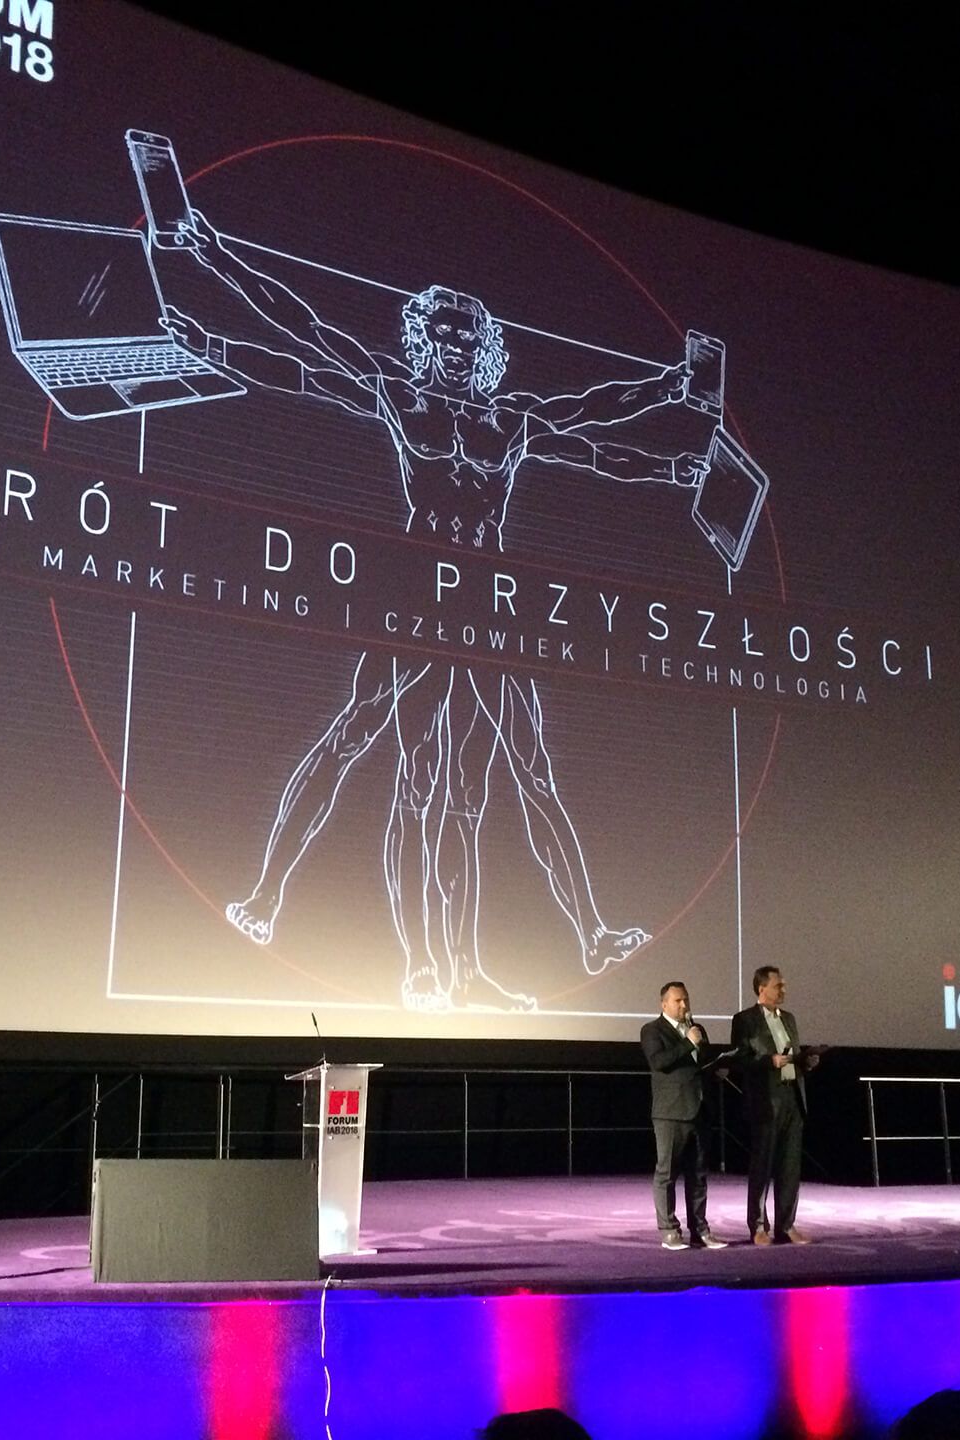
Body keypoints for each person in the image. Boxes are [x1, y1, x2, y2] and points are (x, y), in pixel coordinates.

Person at [165, 211, 713, 1010]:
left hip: (490, 611)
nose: (456, 345)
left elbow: (596, 426)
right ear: (425, 337)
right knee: (377, 753)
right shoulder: (399, 394)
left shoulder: (511, 420)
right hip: (416, 600)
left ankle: (586, 934)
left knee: (521, 775)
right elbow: (303, 343)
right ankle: (275, 900)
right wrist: (212, 274)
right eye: (444, 332)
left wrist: (671, 412)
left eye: (468, 335)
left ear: (483, 346)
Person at [728, 964, 821, 1244]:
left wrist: (806, 1062)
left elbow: (793, 1056)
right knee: (762, 1165)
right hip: (766, 1101)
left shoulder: (789, 1018)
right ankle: (758, 1227)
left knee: (790, 1167)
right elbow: (740, 1060)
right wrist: (769, 1061)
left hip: (793, 1097)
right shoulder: (745, 1020)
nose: (783, 989)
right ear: (762, 989)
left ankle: (786, 1225)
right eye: (778, 985)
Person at [640, 981, 726, 1250]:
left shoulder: (697, 1029)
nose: (684, 1005)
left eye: (686, 999)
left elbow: (702, 1064)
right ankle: (669, 1230)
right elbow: (659, 1062)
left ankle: (700, 1230)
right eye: (678, 1001)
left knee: (698, 1174)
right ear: (664, 1004)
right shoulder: (652, 1030)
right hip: (671, 1112)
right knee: (667, 1173)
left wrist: (716, 1069)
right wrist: (688, 1042)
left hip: (700, 1109)